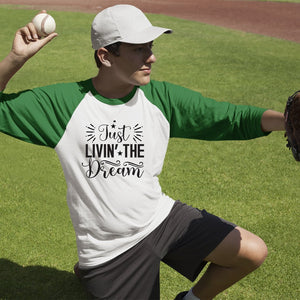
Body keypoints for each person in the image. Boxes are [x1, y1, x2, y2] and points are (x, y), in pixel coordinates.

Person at [0, 5, 285, 300]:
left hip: (159, 219)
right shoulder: (63, 105)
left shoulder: (161, 99)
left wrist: (287, 121)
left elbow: (229, 117)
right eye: (138, 49)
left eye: (150, 46)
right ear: (105, 56)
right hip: (109, 250)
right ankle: (90, 272)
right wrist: (15, 59)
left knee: (252, 251)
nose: (151, 57)